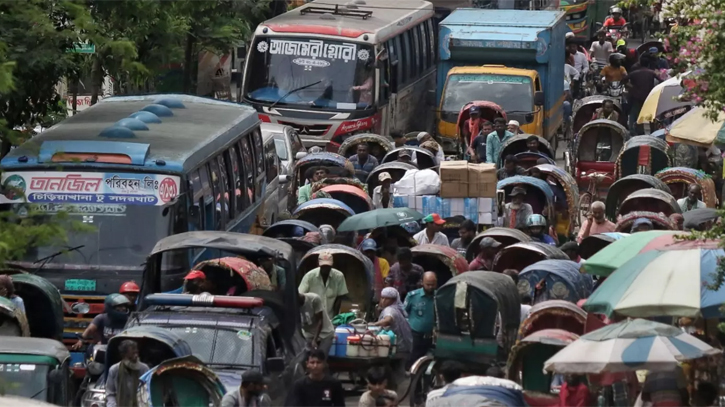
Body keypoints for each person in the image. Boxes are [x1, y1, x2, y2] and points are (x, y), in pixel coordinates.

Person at [298, 251, 349, 317]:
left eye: (327, 266)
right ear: (318, 264)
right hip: (312, 316)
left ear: (332, 265)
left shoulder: (339, 276)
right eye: (323, 266)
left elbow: (339, 299)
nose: (325, 269)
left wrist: (335, 317)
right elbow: (301, 295)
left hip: (330, 316)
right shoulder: (309, 276)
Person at [404, 271, 437, 367]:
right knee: (413, 361)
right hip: (416, 335)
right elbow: (403, 313)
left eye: (433, 284)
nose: (431, 287)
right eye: (428, 284)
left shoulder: (439, 296)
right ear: (422, 282)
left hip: (432, 336)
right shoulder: (413, 296)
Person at [105, 340, 149, 407]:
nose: (135, 356)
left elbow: (148, 392)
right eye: (131, 355)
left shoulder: (144, 369)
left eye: (136, 353)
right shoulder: (114, 370)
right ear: (123, 356)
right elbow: (110, 394)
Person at [623, 61, 660, 135]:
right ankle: (653, 131)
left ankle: (633, 131)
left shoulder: (634, 73)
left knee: (634, 113)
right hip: (648, 96)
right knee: (650, 114)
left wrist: (632, 87)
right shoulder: (652, 72)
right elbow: (660, 79)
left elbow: (624, 80)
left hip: (636, 96)